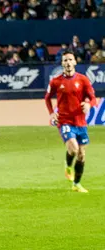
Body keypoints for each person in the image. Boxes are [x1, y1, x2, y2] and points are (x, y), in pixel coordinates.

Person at [45, 50, 97, 192]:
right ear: (62, 63)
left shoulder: (83, 79)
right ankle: (68, 165)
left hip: (80, 122)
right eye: (65, 60)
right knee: (73, 148)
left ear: (75, 62)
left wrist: (88, 105)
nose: (68, 63)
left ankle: (76, 184)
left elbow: (93, 98)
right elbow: (47, 97)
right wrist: (51, 113)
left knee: (81, 154)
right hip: (65, 120)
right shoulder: (56, 81)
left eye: (70, 60)